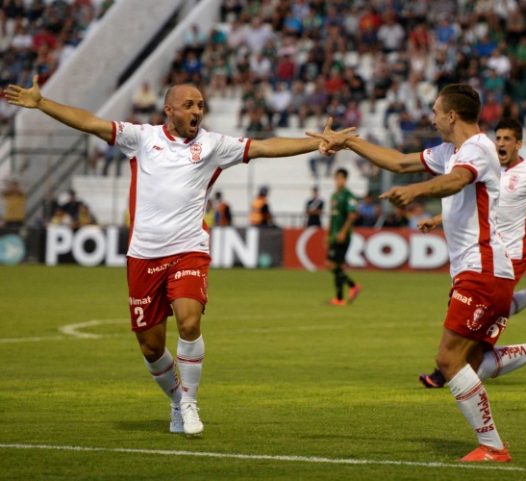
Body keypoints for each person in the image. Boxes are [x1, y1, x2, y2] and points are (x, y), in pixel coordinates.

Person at [4, 76, 349, 436]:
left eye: (200, 105)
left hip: (188, 250)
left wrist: (317, 145)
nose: (197, 111)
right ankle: (175, 400)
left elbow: (264, 147)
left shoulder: (214, 145)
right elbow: (90, 123)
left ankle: (190, 401)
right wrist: (42, 103)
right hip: (144, 255)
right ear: (169, 110)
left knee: (188, 321)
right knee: (151, 347)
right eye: (189, 105)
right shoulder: (141, 138)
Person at [309, 84, 526, 463]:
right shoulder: (450, 151)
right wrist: (348, 143)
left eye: (436, 111)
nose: (432, 117)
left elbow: (457, 180)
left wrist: (418, 191)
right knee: (472, 364)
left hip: (483, 270)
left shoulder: (480, 149)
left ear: (452, 115)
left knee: (447, 361)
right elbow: (399, 162)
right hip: (482, 271)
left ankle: (492, 446)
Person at [417, 117, 526, 389]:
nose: (501, 143)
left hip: (516, 253)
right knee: (492, 307)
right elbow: (478, 206)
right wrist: (438, 219)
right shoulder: (490, 166)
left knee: (485, 321)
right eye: (498, 138)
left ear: (519, 144)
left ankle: (448, 367)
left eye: (507, 139)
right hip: (487, 250)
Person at [327, 168, 360, 306]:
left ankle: (352, 286)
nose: (339, 181)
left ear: (345, 180)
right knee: (335, 266)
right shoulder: (334, 196)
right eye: (337, 178)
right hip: (334, 235)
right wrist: (327, 234)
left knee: (332, 265)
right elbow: (332, 217)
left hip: (343, 236)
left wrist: (343, 232)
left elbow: (353, 215)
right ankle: (340, 297)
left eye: (341, 178)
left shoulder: (349, 196)